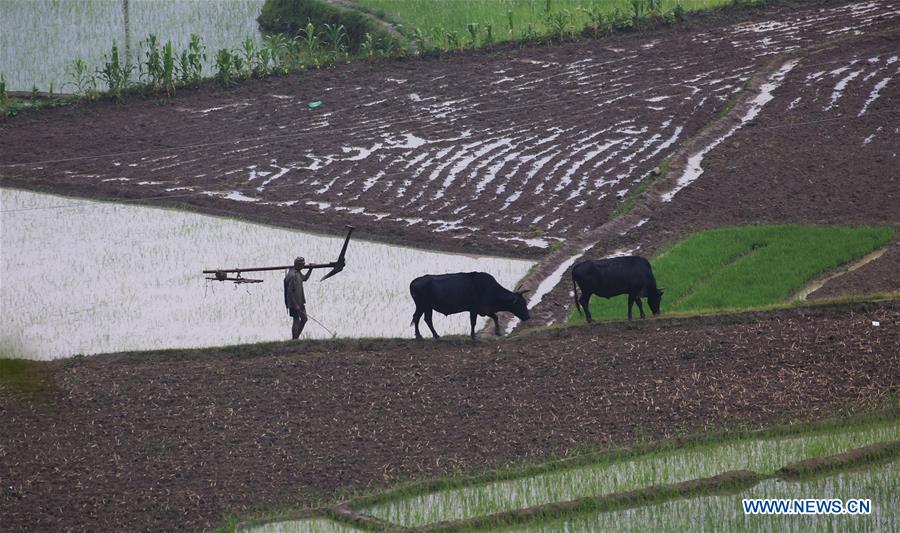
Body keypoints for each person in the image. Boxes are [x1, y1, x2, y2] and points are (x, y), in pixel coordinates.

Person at [284, 257, 312, 339]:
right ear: (298, 265)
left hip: (300, 301)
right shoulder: (292, 275)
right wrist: (295, 304)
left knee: (304, 319)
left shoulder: (298, 272)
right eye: (302, 265)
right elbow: (289, 292)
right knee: (296, 320)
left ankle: (296, 338)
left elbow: (305, 278)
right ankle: (294, 339)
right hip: (294, 303)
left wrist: (310, 269)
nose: (303, 266)